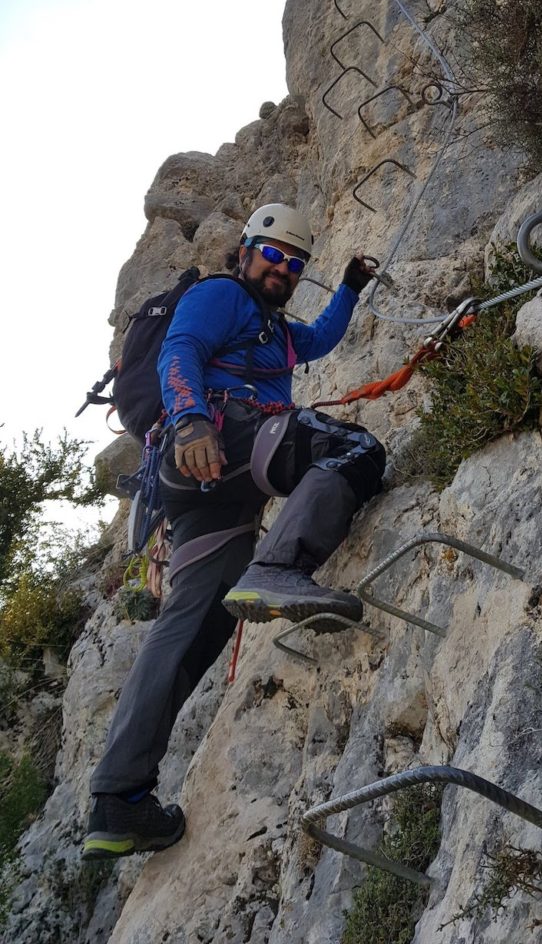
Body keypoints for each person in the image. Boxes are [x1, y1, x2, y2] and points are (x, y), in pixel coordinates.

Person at [82, 203, 385, 860]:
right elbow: (180, 348)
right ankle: (281, 565)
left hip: (206, 493)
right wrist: (190, 419)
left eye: (294, 264)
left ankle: (119, 800)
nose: (282, 270)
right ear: (245, 251)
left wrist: (351, 288)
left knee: (193, 629)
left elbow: (320, 340)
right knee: (355, 450)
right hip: (222, 437)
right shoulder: (222, 295)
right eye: (273, 255)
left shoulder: (274, 329)